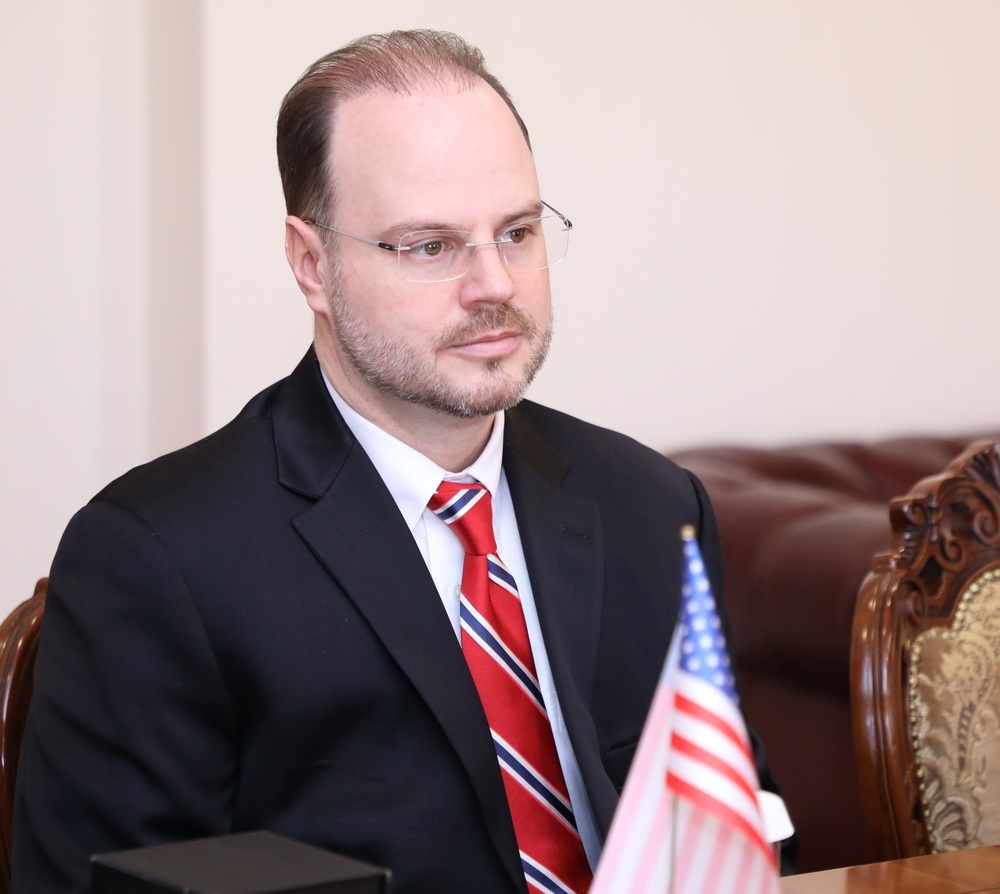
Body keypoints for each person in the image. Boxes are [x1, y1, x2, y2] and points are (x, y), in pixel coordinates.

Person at [12, 29, 784, 894]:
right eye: (430, 246)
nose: (495, 284)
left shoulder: (652, 505)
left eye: (517, 232)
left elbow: (740, 831)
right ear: (312, 264)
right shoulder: (159, 557)